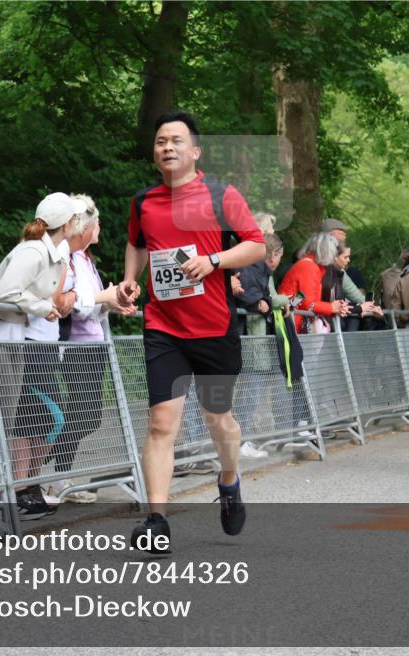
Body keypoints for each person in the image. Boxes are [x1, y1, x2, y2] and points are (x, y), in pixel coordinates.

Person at [116, 111, 265, 553]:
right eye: (160, 140)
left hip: (214, 326)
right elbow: (137, 243)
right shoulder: (144, 200)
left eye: (176, 141)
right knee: (162, 422)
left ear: (195, 151)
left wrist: (214, 261)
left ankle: (228, 478)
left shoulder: (221, 195)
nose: (167, 147)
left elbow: (255, 243)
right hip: (164, 326)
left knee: (218, 419)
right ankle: (157, 520)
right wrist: (129, 279)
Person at [0, 192, 85, 517]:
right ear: (67, 224)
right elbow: (8, 291)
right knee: (7, 419)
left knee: (14, 419)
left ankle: (15, 488)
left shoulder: (49, 252)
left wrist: (47, 305)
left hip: (12, 337)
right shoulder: (34, 250)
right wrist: (44, 306)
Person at [48, 194, 136, 501]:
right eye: (96, 221)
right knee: (81, 414)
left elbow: (93, 305)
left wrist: (114, 303)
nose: (99, 226)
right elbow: (76, 306)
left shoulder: (86, 259)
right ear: (84, 226)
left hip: (92, 345)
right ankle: (54, 474)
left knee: (86, 414)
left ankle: (52, 471)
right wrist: (106, 298)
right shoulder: (68, 257)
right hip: (75, 347)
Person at [234, 233, 289, 458]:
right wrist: (273, 301)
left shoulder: (257, 270)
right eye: (279, 257)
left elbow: (261, 299)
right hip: (250, 339)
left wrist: (266, 302)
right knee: (250, 392)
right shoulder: (250, 270)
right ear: (273, 255)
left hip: (255, 338)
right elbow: (250, 297)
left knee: (251, 392)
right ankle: (239, 441)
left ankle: (241, 439)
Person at [278, 232, 352, 333]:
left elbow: (301, 299)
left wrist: (335, 306)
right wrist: (331, 307)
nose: (334, 256)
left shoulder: (310, 266)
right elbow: (308, 303)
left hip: (293, 318)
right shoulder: (309, 267)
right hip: (293, 323)